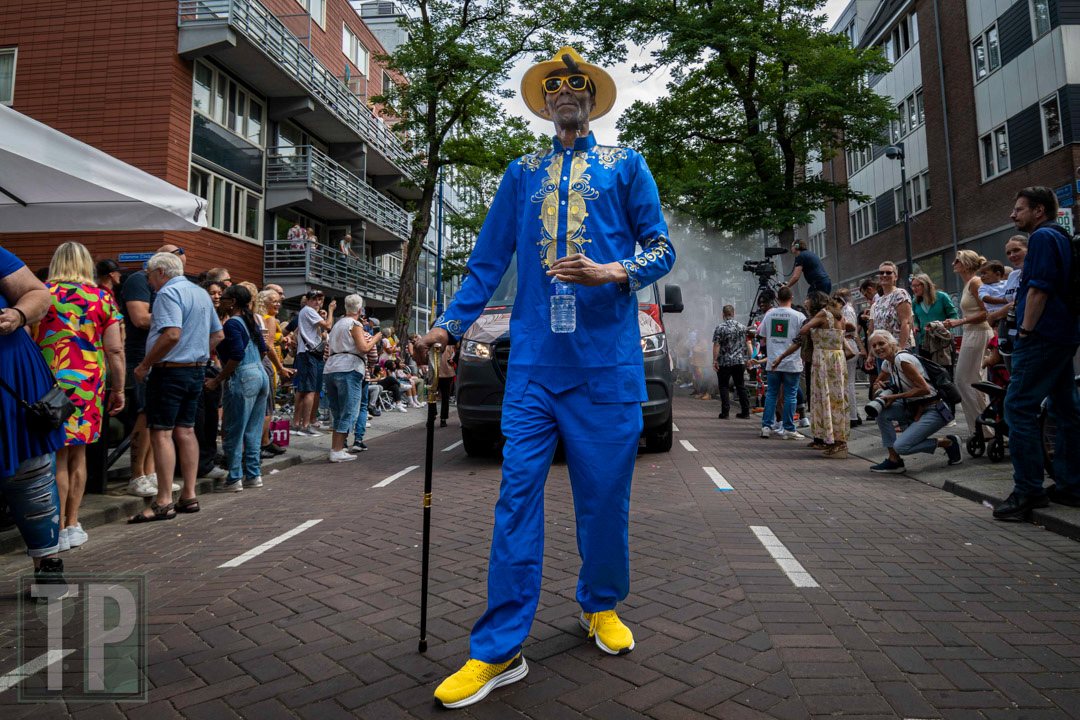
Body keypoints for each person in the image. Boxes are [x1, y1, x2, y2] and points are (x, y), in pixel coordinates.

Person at [412, 46, 675, 709]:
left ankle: (599, 605)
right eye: (554, 86)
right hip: (532, 365)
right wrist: (448, 325)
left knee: (604, 500)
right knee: (516, 499)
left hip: (607, 367)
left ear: (592, 98)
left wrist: (613, 271)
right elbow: (486, 260)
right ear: (543, 101)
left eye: (576, 84)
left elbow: (660, 248)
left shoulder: (627, 164)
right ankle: (498, 648)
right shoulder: (521, 171)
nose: (565, 92)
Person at [31, 242, 125, 550]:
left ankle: (54, 527)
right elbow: (114, 348)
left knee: (55, 454)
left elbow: (29, 339)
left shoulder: (41, 294)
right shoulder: (102, 297)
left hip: (48, 381)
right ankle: (72, 523)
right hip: (87, 382)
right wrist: (119, 388)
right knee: (78, 454)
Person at [994, 187, 1080, 519]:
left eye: (1019, 209)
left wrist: (1026, 331)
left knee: (1018, 408)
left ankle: (1028, 491)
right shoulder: (1060, 236)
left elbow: (1040, 289)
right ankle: (1072, 486)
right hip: (1063, 334)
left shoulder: (1043, 238)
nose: (1013, 215)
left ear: (1039, 211)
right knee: (1065, 409)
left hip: (1042, 336)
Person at [129, 252, 223, 522]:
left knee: (161, 433)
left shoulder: (167, 294)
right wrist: (197, 352)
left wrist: (145, 364)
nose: (148, 281)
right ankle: (189, 495)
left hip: (169, 372)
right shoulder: (201, 294)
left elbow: (171, 333)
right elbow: (218, 334)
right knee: (186, 430)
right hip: (194, 371)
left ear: (160, 272)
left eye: (149, 274)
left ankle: (163, 501)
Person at [0, 244, 69, 590]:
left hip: (9, 379)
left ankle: (48, 564)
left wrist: (17, 315)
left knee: (32, 472)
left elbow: (38, 293)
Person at [121, 244, 184, 497]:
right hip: (140, 355)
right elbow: (138, 317)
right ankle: (137, 475)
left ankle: (149, 473)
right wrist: (174, 319)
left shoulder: (170, 288)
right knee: (145, 414)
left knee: (154, 414)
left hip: (161, 356)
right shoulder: (139, 280)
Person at [866, 330, 962, 473]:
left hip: (935, 408)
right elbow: (875, 389)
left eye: (881, 343)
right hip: (913, 406)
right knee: (882, 412)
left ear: (891, 343)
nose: (878, 348)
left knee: (902, 446)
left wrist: (895, 397)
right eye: (874, 346)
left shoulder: (901, 360)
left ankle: (948, 442)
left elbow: (924, 389)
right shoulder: (888, 363)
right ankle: (894, 461)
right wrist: (879, 387)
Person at [205, 285, 269, 492]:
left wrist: (217, 380)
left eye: (223, 298)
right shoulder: (251, 321)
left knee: (234, 429)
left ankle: (234, 477)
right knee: (253, 429)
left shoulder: (232, 323)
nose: (220, 301)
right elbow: (262, 349)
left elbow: (237, 355)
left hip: (243, 376)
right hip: (260, 374)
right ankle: (253, 474)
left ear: (232, 302)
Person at [774, 292, 853, 456]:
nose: (806, 301)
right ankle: (837, 440)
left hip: (823, 360)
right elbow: (850, 327)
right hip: (837, 360)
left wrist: (810, 325)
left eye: (809, 299)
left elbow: (803, 330)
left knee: (824, 398)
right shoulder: (838, 315)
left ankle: (834, 441)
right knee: (836, 399)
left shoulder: (823, 314)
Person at [942, 250, 993, 441]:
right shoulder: (967, 283)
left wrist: (959, 322)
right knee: (971, 381)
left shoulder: (975, 282)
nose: (953, 263)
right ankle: (981, 428)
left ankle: (984, 429)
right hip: (972, 334)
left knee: (966, 381)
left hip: (979, 333)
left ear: (966, 263)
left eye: (956, 261)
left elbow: (986, 311)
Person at [325, 295, 380, 462]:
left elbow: (326, 352)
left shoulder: (336, 325)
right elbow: (364, 348)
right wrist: (376, 338)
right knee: (349, 410)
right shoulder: (354, 324)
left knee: (337, 411)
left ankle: (336, 448)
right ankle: (337, 450)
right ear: (359, 310)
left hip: (331, 368)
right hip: (349, 367)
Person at [760, 286, 807, 440]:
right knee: (790, 395)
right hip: (792, 362)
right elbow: (802, 338)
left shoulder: (769, 315)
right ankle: (788, 428)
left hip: (773, 361)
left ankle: (766, 426)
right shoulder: (799, 316)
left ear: (777, 299)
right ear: (791, 298)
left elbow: (763, 336)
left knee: (771, 394)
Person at [255, 289, 294, 456]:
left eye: (279, 301)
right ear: (264, 303)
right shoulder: (269, 319)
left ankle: (263, 442)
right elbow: (268, 346)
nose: (278, 304)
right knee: (267, 408)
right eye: (274, 301)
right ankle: (262, 443)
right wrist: (280, 367)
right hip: (269, 364)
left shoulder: (257, 318)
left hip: (263, 363)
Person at [292, 290, 335, 437]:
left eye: (320, 300)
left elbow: (296, 332)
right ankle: (306, 425)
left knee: (302, 390)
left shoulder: (305, 312)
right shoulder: (309, 311)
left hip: (305, 353)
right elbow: (328, 326)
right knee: (310, 390)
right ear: (308, 300)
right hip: (309, 354)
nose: (317, 302)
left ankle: (296, 423)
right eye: (314, 299)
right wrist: (330, 311)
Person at [987, 236, 1028, 373]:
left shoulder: (1034, 271)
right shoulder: (1013, 276)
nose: (1012, 255)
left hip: (1027, 333)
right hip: (1007, 334)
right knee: (1013, 375)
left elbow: (1021, 302)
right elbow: (1008, 301)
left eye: (1016, 250)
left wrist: (994, 315)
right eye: (1009, 253)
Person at [711, 305, 752, 419]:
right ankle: (745, 411)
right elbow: (748, 343)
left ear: (723, 315)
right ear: (733, 314)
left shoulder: (720, 328)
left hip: (725, 361)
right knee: (740, 385)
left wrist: (714, 361)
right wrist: (750, 358)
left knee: (723, 386)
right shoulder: (742, 327)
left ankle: (725, 412)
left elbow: (716, 344)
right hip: (739, 361)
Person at [350, 320, 383, 451]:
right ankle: (358, 440)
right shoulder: (366, 336)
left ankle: (340, 443)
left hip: (336, 371)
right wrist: (375, 339)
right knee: (362, 406)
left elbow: (326, 355)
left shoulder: (336, 332)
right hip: (360, 372)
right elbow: (373, 357)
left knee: (344, 407)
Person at [834, 289, 865, 426]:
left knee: (848, 384)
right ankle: (853, 414)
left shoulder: (846, 311)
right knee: (849, 383)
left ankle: (852, 416)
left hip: (848, 346)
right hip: (850, 345)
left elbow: (848, 329)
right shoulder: (849, 309)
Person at [869, 261, 914, 350]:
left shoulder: (900, 294)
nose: (884, 275)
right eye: (882, 273)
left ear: (895, 277)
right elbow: (875, 328)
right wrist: (871, 354)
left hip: (895, 349)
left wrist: (901, 348)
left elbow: (906, 322)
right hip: (881, 350)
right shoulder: (878, 301)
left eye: (888, 272)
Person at [910, 273, 959, 352]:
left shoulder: (942, 297)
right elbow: (915, 320)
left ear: (925, 285)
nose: (913, 288)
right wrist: (915, 326)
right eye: (912, 286)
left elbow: (954, 317)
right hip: (924, 343)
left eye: (916, 286)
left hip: (943, 341)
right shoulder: (915, 302)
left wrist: (944, 324)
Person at [437, 343, 457, 428]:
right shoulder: (433, 341)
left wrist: (453, 358)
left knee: (445, 396)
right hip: (436, 371)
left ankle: (443, 418)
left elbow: (458, 350)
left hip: (446, 371)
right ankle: (433, 416)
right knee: (433, 395)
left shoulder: (450, 341)